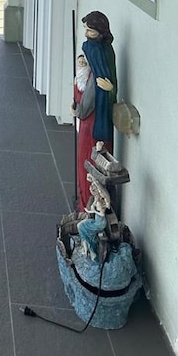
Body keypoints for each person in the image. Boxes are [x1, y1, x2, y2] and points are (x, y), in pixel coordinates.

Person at [71, 11, 117, 210]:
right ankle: (85, 203)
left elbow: (98, 86)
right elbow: (84, 85)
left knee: (90, 159)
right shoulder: (92, 50)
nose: (86, 34)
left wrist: (110, 89)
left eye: (90, 30)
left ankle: (89, 205)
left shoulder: (99, 52)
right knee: (86, 159)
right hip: (91, 115)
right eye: (85, 30)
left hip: (95, 118)